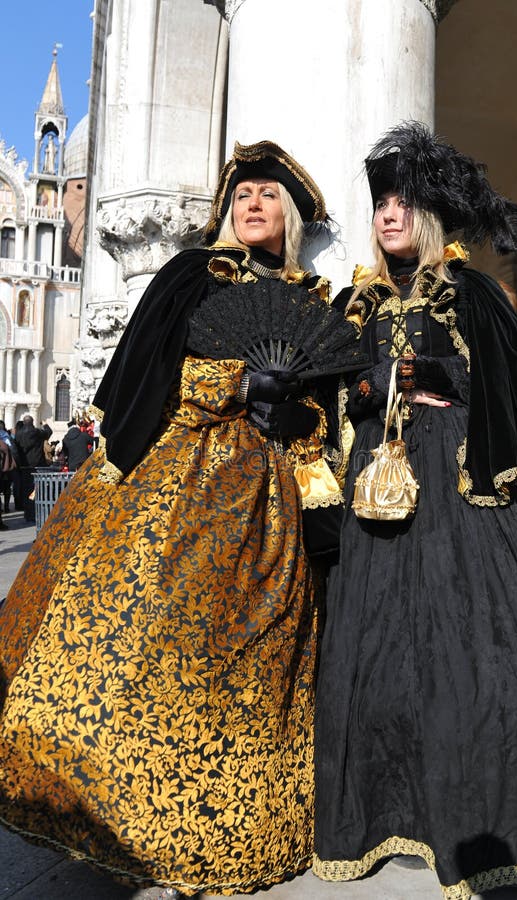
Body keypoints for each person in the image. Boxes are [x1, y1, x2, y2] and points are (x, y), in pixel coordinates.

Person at [0, 141, 344, 896]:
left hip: (266, 504)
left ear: (287, 214)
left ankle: (217, 822)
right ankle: (108, 806)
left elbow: (321, 416)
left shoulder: (311, 300)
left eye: (267, 196)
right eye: (242, 194)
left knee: (243, 651)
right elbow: (152, 374)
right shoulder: (193, 274)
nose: (253, 205)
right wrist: (236, 379)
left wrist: (293, 407)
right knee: (143, 632)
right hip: (176, 477)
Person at [313, 122, 517, 899]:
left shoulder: (469, 289)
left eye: (403, 202)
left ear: (429, 215)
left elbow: (509, 392)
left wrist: (445, 371)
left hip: (464, 494)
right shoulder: (356, 301)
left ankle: (489, 802)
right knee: (383, 654)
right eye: (379, 205)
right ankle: (390, 809)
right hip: (382, 498)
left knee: (472, 651)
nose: (389, 215)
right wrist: (379, 383)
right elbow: (336, 390)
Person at [13, 414, 52, 522]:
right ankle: (35, 512)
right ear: (32, 422)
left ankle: (28, 513)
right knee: (37, 490)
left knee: (26, 490)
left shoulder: (18, 434)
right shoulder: (37, 432)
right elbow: (49, 432)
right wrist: (45, 425)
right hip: (37, 465)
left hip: (25, 466)